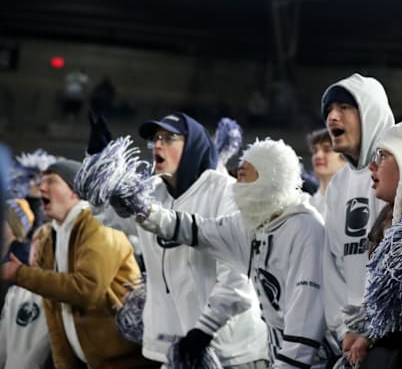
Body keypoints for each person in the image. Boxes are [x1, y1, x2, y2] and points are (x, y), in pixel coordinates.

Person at [130, 138, 333, 368]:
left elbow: (307, 317)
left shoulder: (304, 228)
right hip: (277, 349)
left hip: (316, 356)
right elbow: (196, 230)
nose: (238, 180)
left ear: (270, 176)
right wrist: (143, 210)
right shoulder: (252, 224)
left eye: (245, 173)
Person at [98, 112, 268, 367]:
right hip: (177, 351)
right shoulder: (151, 192)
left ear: (192, 147)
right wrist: (100, 167)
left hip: (230, 351)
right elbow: (105, 215)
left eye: (169, 138)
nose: (158, 144)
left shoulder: (225, 193)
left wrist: (204, 330)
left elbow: (238, 278)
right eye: (155, 138)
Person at [0, 160, 150, 368]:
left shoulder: (98, 224)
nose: (42, 187)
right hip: (90, 362)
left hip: (124, 362)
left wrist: (20, 274)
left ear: (74, 191)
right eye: (42, 181)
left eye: (51, 181)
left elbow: (87, 289)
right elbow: (54, 312)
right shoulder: (54, 235)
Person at [319, 74, 394, 358]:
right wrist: (344, 329)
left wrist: (373, 328)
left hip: (393, 334)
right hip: (352, 340)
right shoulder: (338, 184)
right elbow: (333, 266)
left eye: (343, 108)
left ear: (369, 111)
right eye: (328, 111)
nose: (332, 117)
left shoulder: (397, 167)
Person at [343, 118, 402, 367]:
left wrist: (371, 337)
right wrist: (363, 331)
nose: (372, 165)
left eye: (382, 156)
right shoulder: (386, 223)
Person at [0, 222, 52, 369]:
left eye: (44, 244)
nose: (36, 250)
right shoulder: (16, 292)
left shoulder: (64, 296)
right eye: (36, 243)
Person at [306, 128, 347, 218]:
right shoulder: (307, 204)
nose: (318, 155)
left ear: (346, 157)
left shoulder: (350, 202)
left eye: (327, 149)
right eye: (315, 150)